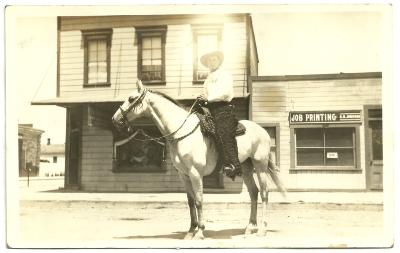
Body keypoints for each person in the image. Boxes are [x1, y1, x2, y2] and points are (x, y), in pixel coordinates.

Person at [197, 50, 241, 180]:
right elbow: (205, 93)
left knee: (222, 132)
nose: (211, 62)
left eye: (214, 60)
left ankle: (232, 164)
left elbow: (225, 93)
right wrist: (201, 98)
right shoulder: (207, 79)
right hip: (209, 109)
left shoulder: (225, 75)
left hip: (223, 109)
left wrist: (208, 98)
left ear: (219, 61)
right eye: (209, 61)